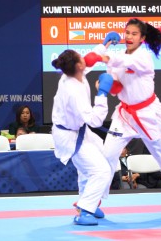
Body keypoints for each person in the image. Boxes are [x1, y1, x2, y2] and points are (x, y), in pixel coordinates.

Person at [95, 18, 161, 214]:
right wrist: (105, 85)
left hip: (148, 113)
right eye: (127, 33)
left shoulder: (143, 57)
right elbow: (116, 87)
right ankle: (94, 199)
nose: (128, 37)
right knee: (107, 155)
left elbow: (118, 61)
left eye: (134, 33)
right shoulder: (118, 57)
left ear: (142, 38)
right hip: (124, 115)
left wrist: (103, 49)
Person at [51, 49, 113, 225]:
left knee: (101, 161)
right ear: (79, 65)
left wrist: (104, 44)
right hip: (69, 136)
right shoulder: (73, 91)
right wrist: (102, 94)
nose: (84, 58)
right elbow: (95, 120)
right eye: (81, 57)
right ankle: (85, 210)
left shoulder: (73, 73)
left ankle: (87, 202)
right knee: (100, 171)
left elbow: (89, 59)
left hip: (79, 131)